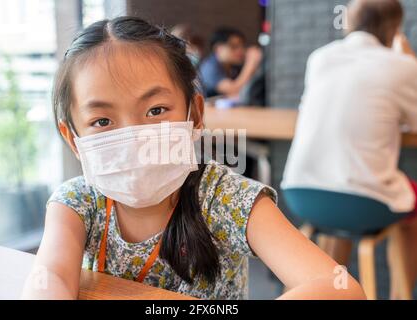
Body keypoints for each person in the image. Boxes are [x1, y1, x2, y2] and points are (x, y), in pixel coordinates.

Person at [21, 16, 364, 300]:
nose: (135, 138)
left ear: (195, 114)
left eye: (155, 110)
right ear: (73, 138)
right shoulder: (77, 203)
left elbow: (340, 287)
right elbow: (50, 276)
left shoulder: (224, 197)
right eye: (102, 121)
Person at [282, 0, 417, 296]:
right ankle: (401, 295)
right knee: (410, 209)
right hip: (361, 202)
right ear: (395, 28)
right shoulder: (403, 66)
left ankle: (329, 291)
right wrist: (409, 58)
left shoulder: (320, 58)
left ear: (350, 22)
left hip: (301, 195)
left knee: (340, 190)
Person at [199, 27, 263, 98]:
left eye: (242, 46)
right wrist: (251, 62)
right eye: (234, 46)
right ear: (218, 49)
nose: (240, 51)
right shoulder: (209, 67)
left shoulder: (233, 66)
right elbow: (234, 90)